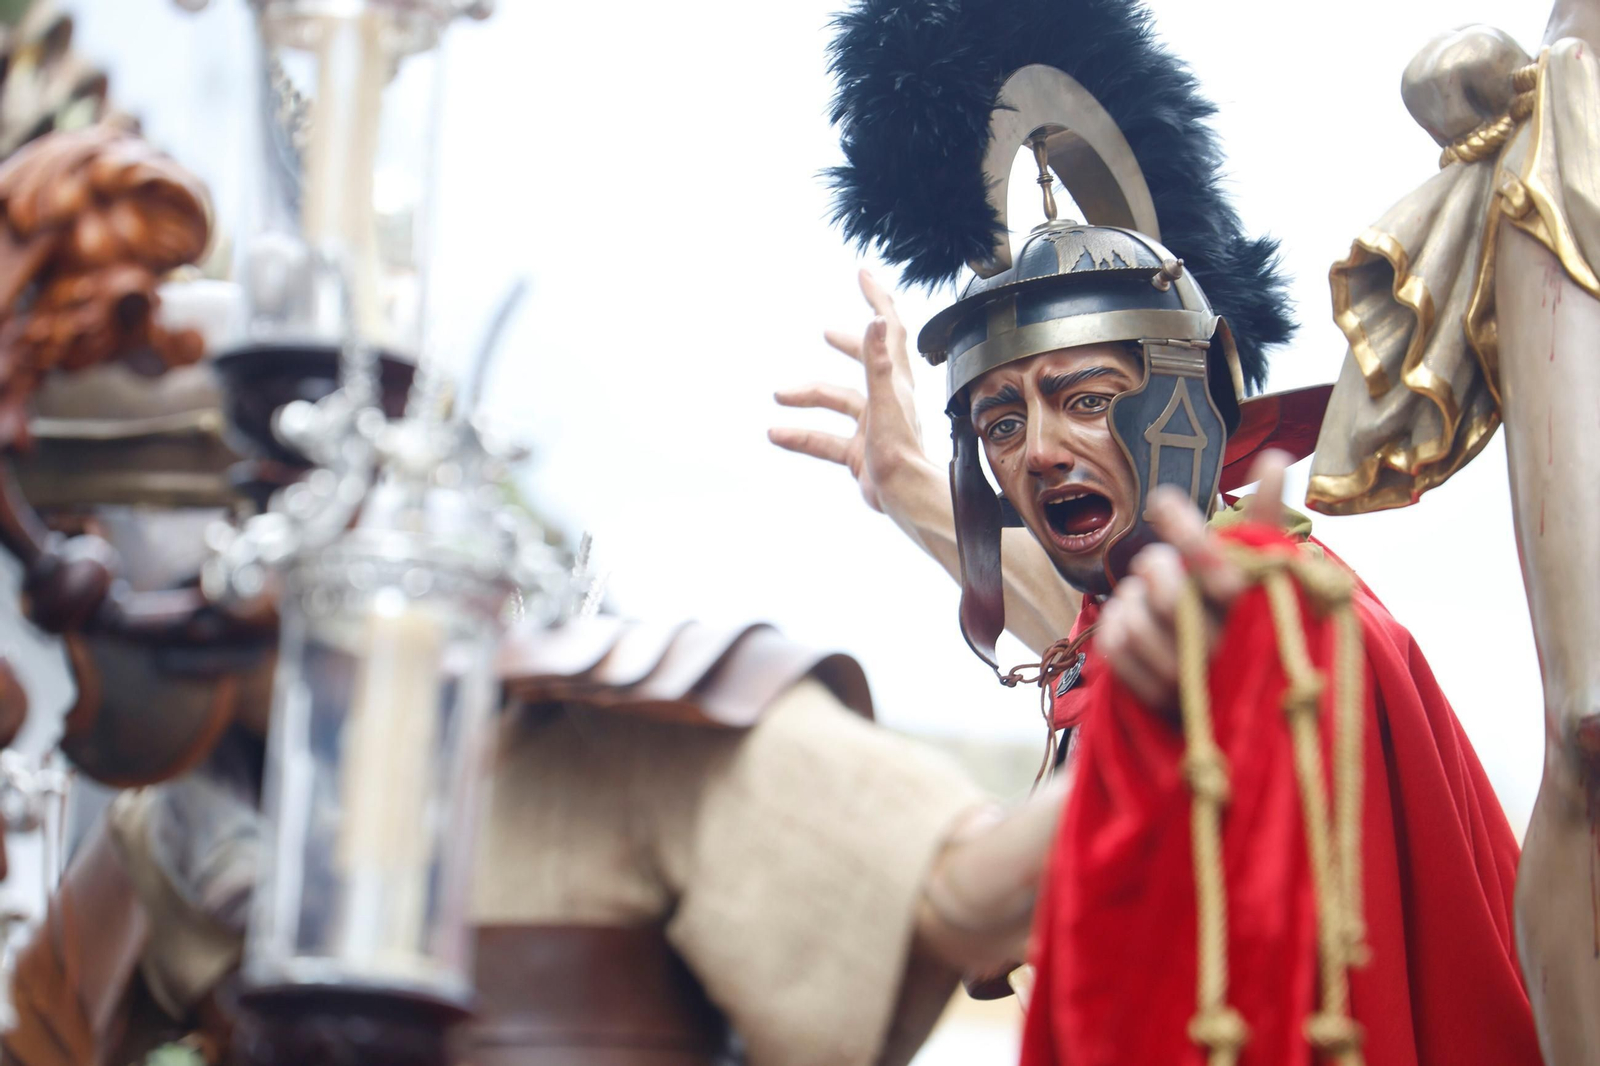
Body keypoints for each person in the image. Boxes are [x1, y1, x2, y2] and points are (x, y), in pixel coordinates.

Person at [772, 0, 1544, 1061]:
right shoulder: (1170, 614)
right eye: (1002, 421)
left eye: (1084, 398)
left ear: (1187, 393)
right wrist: (911, 487)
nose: (1037, 450)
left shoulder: (1267, 616)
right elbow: (1087, 631)